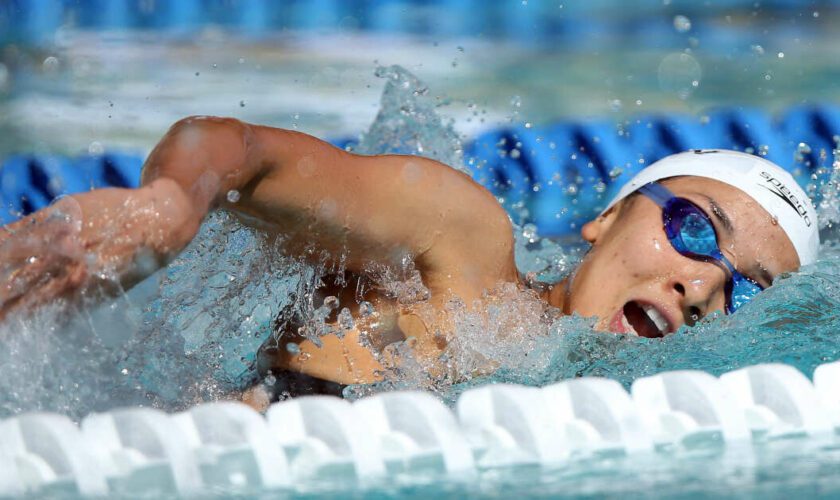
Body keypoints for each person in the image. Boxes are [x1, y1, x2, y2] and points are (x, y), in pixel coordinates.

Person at [0, 116, 818, 400]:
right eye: (696, 229)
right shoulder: (458, 249)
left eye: (746, 289)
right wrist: (166, 209)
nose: (704, 281)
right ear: (603, 220)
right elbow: (234, 148)